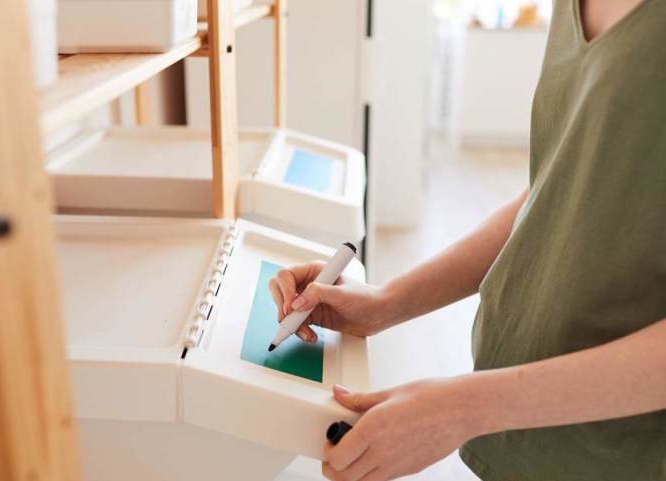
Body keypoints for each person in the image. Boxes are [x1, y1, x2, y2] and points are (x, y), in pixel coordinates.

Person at [268, 0, 666, 480]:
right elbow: (556, 189)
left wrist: (465, 408)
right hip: (520, 424)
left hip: (617, 452)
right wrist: (386, 302)